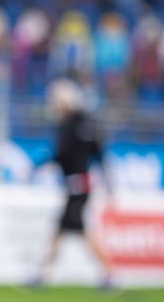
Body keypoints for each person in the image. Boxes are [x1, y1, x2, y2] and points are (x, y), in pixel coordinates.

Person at [31, 78, 115, 288]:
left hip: (79, 185)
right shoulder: (69, 123)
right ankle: (42, 275)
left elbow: (80, 153)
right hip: (73, 185)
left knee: (79, 231)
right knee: (60, 231)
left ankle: (109, 273)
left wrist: (42, 163)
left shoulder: (78, 124)